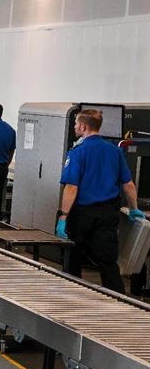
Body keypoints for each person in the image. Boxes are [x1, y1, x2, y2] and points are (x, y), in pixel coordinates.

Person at [56, 108, 145, 293]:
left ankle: (73, 295)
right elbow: (128, 184)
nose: (74, 127)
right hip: (107, 213)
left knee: (73, 257)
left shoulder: (78, 152)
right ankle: (118, 300)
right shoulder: (114, 151)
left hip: (82, 213)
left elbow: (72, 187)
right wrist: (134, 208)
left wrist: (63, 216)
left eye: (75, 124)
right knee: (107, 260)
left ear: (82, 126)